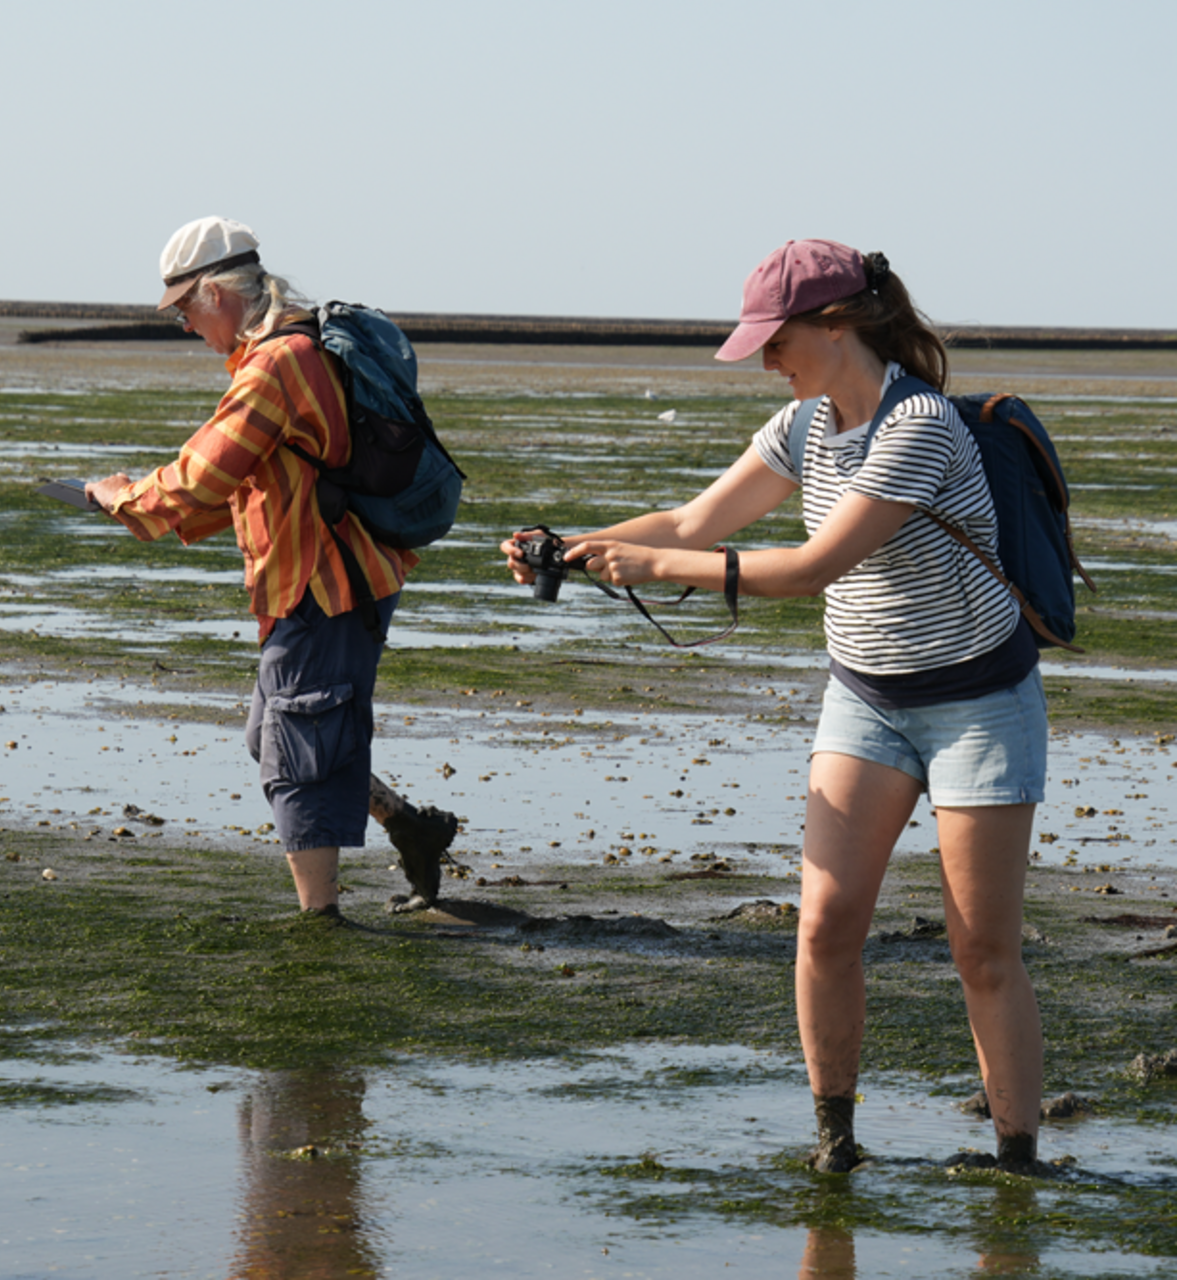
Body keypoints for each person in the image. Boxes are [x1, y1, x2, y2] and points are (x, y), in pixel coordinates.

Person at [502, 239, 1047, 1173]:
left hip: (978, 701)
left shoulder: (918, 428)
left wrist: (656, 568)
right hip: (866, 699)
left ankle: (1017, 1157)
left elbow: (808, 568)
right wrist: (577, 544)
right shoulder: (802, 423)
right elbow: (689, 524)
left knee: (982, 948)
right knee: (825, 925)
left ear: (840, 325)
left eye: (775, 339)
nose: (764, 360)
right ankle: (835, 1141)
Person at [88, 216, 455, 920]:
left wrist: (122, 497)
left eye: (185, 313)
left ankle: (321, 922)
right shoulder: (294, 346)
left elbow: (202, 474)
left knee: (297, 750)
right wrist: (149, 508)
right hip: (333, 576)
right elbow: (243, 484)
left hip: (325, 582)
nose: (188, 329)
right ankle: (411, 826)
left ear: (217, 295)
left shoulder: (277, 365)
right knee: (282, 732)